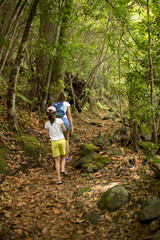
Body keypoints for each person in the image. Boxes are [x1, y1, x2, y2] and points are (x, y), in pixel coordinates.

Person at [45, 106, 68, 184]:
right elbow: (64, 129)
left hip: (54, 142)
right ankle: (62, 168)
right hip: (61, 140)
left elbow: (47, 135)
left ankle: (59, 178)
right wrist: (65, 136)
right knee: (63, 156)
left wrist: (48, 142)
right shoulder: (59, 120)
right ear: (55, 113)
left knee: (56, 160)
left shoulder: (47, 124)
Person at [53, 92, 73, 162]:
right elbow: (69, 115)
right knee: (66, 139)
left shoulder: (54, 104)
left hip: (55, 122)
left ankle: (57, 157)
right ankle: (66, 157)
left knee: (57, 139)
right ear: (65, 97)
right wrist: (71, 126)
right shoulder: (66, 104)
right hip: (64, 122)